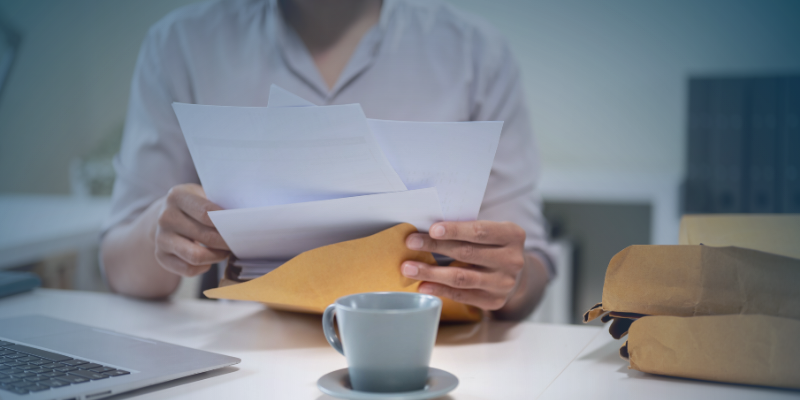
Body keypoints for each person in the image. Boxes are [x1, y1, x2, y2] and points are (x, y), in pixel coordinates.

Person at [101, 0, 555, 321]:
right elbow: (120, 263)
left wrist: (509, 281)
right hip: (243, 359)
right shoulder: (179, 44)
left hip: (427, 351)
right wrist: (164, 234)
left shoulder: (478, 54)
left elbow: (527, 267)